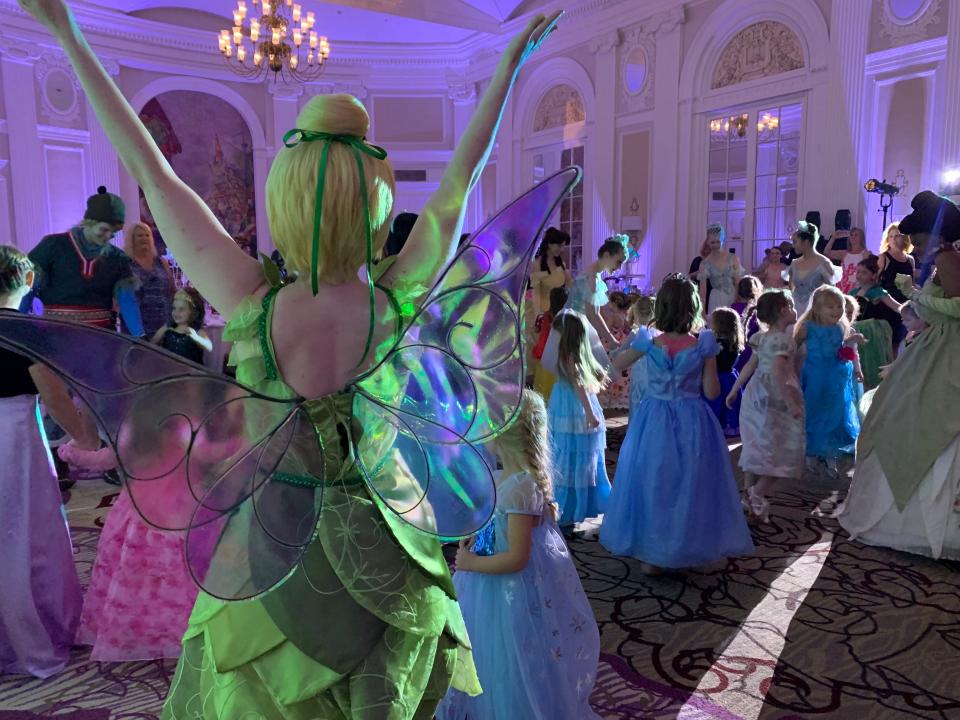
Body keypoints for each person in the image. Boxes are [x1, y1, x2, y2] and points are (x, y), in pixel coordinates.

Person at [18, 0, 563, 714]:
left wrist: (67, 31)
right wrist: (507, 71)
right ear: (375, 198)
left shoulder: (250, 300)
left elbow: (155, 175)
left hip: (271, 547)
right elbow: (457, 187)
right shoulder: (393, 301)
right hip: (385, 544)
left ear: (287, 193)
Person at [436, 391, 600, 720]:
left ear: (502, 434)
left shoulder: (520, 487)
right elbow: (491, 529)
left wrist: (471, 563)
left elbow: (517, 558)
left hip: (506, 590)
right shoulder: (503, 480)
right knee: (489, 651)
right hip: (486, 587)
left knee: (509, 655)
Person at [599, 275, 753, 572]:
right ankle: (689, 546)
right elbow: (711, 392)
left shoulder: (647, 341)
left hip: (653, 417)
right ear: (693, 308)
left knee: (654, 480)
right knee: (691, 482)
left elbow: (615, 366)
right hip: (692, 418)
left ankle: (653, 552)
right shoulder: (702, 344)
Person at [839, 190, 960, 560]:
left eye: (920, 241)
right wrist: (919, 297)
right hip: (938, 344)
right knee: (899, 412)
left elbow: (957, 307)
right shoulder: (945, 258)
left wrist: (921, 298)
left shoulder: (948, 257)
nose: (916, 248)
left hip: (949, 350)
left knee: (924, 418)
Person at [0, 245, 97, 678]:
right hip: (15, 439)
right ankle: (36, 636)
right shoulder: (25, 332)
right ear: (27, 281)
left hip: (14, 434)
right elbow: (55, 398)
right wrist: (88, 439)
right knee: (25, 537)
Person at [726, 290, 804, 522]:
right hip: (776, 396)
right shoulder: (783, 340)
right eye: (791, 306)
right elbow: (779, 373)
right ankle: (756, 494)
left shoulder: (761, 337)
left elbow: (751, 365)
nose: (794, 310)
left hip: (755, 394)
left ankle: (748, 497)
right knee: (782, 449)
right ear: (782, 310)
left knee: (756, 445)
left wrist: (735, 389)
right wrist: (791, 403)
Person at [27, 186, 144, 336]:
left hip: (101, 339)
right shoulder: (53, 246)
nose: (108, 236)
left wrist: (140, 338)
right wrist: (17, 326)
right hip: (54, 338)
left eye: (113, 233)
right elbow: (27, 288)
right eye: (104, 229)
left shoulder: (117, 258)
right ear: (88, 222)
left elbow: (127, 302)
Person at [546, 310, 611, 528]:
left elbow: (581, 385)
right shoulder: (571, 356)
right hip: (571, 407)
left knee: (568, 452)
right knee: (572, 452)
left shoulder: (568, 356)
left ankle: (569, 507)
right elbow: (581, 385)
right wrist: (591, 413)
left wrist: (591, 413)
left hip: (569, 406)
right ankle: (571, 507)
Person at [795, 285, 861, 481]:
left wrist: (852, 343)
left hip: (836, 378)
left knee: (835, 415)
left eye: (839, 306)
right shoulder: (808, 328)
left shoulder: (840, 327)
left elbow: (843, 349)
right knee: (815, 413)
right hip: (815, 377)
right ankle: (812, 455)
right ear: (816, 308)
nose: (836, 311)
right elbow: (793, 347)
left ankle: (830, 455)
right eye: (830, 307)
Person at [851, 255, 902, 389]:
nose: (859, 275)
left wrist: (911, 311)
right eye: (858, 272)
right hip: (857, 331)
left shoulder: (877, 292)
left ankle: (877, 390)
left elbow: (896, 306)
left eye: (864, 272)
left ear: (874, 275)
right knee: (860, 362)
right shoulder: (853, 292)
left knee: (873, 361)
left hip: (873, 332)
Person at [566, 235, 627, 347]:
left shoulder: (595, 275)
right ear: (607, 255)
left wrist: (610, 339)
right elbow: (592, 314)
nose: (619, 268)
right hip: (572, 329)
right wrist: (611, 340)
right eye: (618, 262)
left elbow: (595, 313)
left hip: (577, 326)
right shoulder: (591, 276)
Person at [125, 221, 175, 338]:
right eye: (140, 235)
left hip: (164, 327)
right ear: (132, 239)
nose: (144, 238)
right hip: (138, 329)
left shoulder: (161, 262)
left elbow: (172, 290)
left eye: (147, 235)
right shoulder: (126, 263)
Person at [786, 220, 839, 315]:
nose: (793, 246)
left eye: (795, 242)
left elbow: (832, 291)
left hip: (816, 310)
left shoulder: (823, 262)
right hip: (796, 309)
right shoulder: (794, 264)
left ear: (806, 242)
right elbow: (791, 288)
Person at [706, 306, 744, 437]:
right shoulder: (734, 343)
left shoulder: (717, 344)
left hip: (718, 378)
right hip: (731, 378)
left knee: (718, 405)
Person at [876, 221, 915, 350]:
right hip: (887, 303)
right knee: (888, 340)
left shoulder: (910, 259)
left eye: (897, 235)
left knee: (901, 340)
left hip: (905, 302)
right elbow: (876, 280)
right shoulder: (884, 257)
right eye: (891, 236)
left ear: (904, 238)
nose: (893, 239)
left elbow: (912, 283)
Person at [150, 287, 213, 364]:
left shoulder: (196, 331)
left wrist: (196, 338)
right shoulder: (168, 327)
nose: (176, 312)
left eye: (181, 309)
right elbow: (152, 343)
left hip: (190, 373)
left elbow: (209, 347)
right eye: (174, 308)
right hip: (169, 369)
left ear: (193, 312)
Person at [531, 285, 568, 402]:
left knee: (544, 382)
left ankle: (544, 403)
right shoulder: (566, 317)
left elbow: (536, 330)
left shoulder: (543, 317)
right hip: (561, 354)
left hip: (544, 353)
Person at [697, 223, 743, 312]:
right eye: (712, 242)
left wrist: (738, 301)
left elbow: (738, 282)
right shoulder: (705, 263)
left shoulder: (732, 258)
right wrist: (702, 313)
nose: (715, 245)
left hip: (732, 297)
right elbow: (703, 291)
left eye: (718, 242)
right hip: (715, 299)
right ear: (707, 242)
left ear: (722, 240)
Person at [826, 226, 870, 294]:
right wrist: (833, 237)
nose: (853, 237)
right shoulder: (844, 253)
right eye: (851, 235)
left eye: (856, 235)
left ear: (861, 238)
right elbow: (826, 253)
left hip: (858, 288)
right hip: (843, 287)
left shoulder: (865, 254)